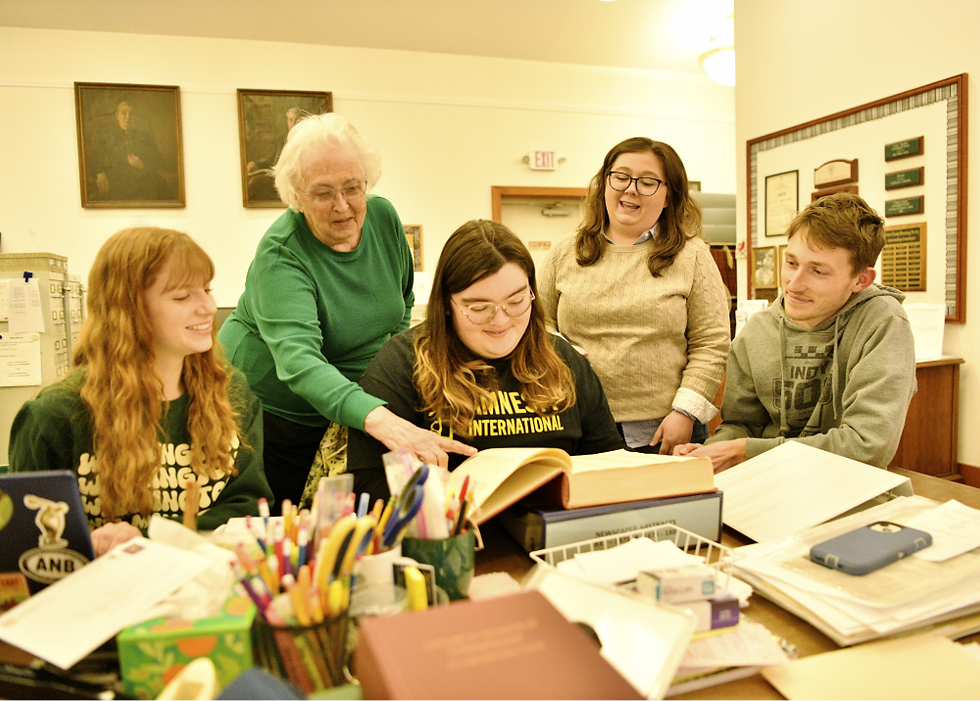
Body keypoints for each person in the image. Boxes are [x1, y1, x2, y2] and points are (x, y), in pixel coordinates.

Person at [218, 113, 473, 514]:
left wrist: (382, 382)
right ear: (296, 197)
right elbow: (300, 363)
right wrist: (381, 417)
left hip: (355, 402)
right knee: (292, 525)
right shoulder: (281, 253)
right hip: (274, 409)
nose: (343, 206)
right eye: (322, 193)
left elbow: (401, 305)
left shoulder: (384, 219)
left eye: (352, 188)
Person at [8, 227, 273, 555]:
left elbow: (246, 508)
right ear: (128, 309)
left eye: (206, 289)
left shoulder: (232, 393)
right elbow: (29, 550)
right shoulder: (53, 416)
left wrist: (149, 536)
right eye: (182, 296)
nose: (208, 307)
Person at [346, 220, 625, 502]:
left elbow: (608, 460)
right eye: (479, 308)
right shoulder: (402, 363)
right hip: (454, 537)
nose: (501, 321)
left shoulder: (563, 359)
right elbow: (367, 481)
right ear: (445, 304)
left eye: (516, 301)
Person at [674, 193, 917, 472]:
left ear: (861, 279)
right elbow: (743, 425)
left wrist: (744, 452)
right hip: (767, 483)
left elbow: (868, 446)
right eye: (791, 263)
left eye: (818, 271)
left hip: (849, 489)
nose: (794, 284)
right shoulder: (758, 331)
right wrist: (711, 452)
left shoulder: (883, 322)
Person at [539, 137, 731, 456]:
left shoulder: (692, 255)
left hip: (665, 431)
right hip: (576, 425)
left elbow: (712, 342)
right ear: (604, 183)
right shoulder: (565, 251)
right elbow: (536, 324)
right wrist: (563, 350)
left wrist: (686, 412)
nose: (631, 189)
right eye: (621, 176)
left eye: (648, 182)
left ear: (669, 195)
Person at [91, 99, 172, 202]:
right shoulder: (106, 136)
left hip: (142, 179)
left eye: (131, 114)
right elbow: (95, 157)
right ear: (117, 115)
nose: (127, 117)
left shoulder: (143, 137)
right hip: (117, 180)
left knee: (161, 186)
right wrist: (100, 173)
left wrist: (142, 164)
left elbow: (158, 161)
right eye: (124, 113)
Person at [246, 106, 302, 202]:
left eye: (296, 120)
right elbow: (270, 161)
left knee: (256, 182)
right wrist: (255, 165)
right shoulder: (280, 140)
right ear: (287, 121)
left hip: (296, 180)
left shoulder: (307, 142)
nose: (293, 123)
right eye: (291, 120)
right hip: (277, 177)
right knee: (254, 181)